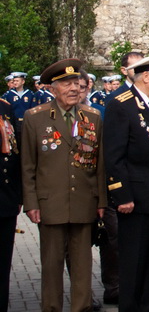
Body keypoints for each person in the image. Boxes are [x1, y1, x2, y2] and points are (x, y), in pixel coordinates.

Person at [20, 59, 105, 312]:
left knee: (83, 265)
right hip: (50, 202)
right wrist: (31, 203)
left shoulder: (92, 116)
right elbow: (28, 165)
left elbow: (100, 163)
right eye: (67, 84)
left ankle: (82, 308)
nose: (74, 89)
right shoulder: (35, 117)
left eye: (77, 83)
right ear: (53, 88)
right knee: (52, 265)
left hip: (84, 200)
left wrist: (101, 200)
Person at [103, 50, 149, 312]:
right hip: (134, 198)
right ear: (145, 77)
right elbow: (114, 156)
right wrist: (122, 195)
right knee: (134, 261)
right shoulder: (121, 105)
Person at [0, 96, 20, 312]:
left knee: (2, 264)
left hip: (5, 199)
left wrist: (18, 195)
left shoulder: (5, 108)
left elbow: (15, 152)